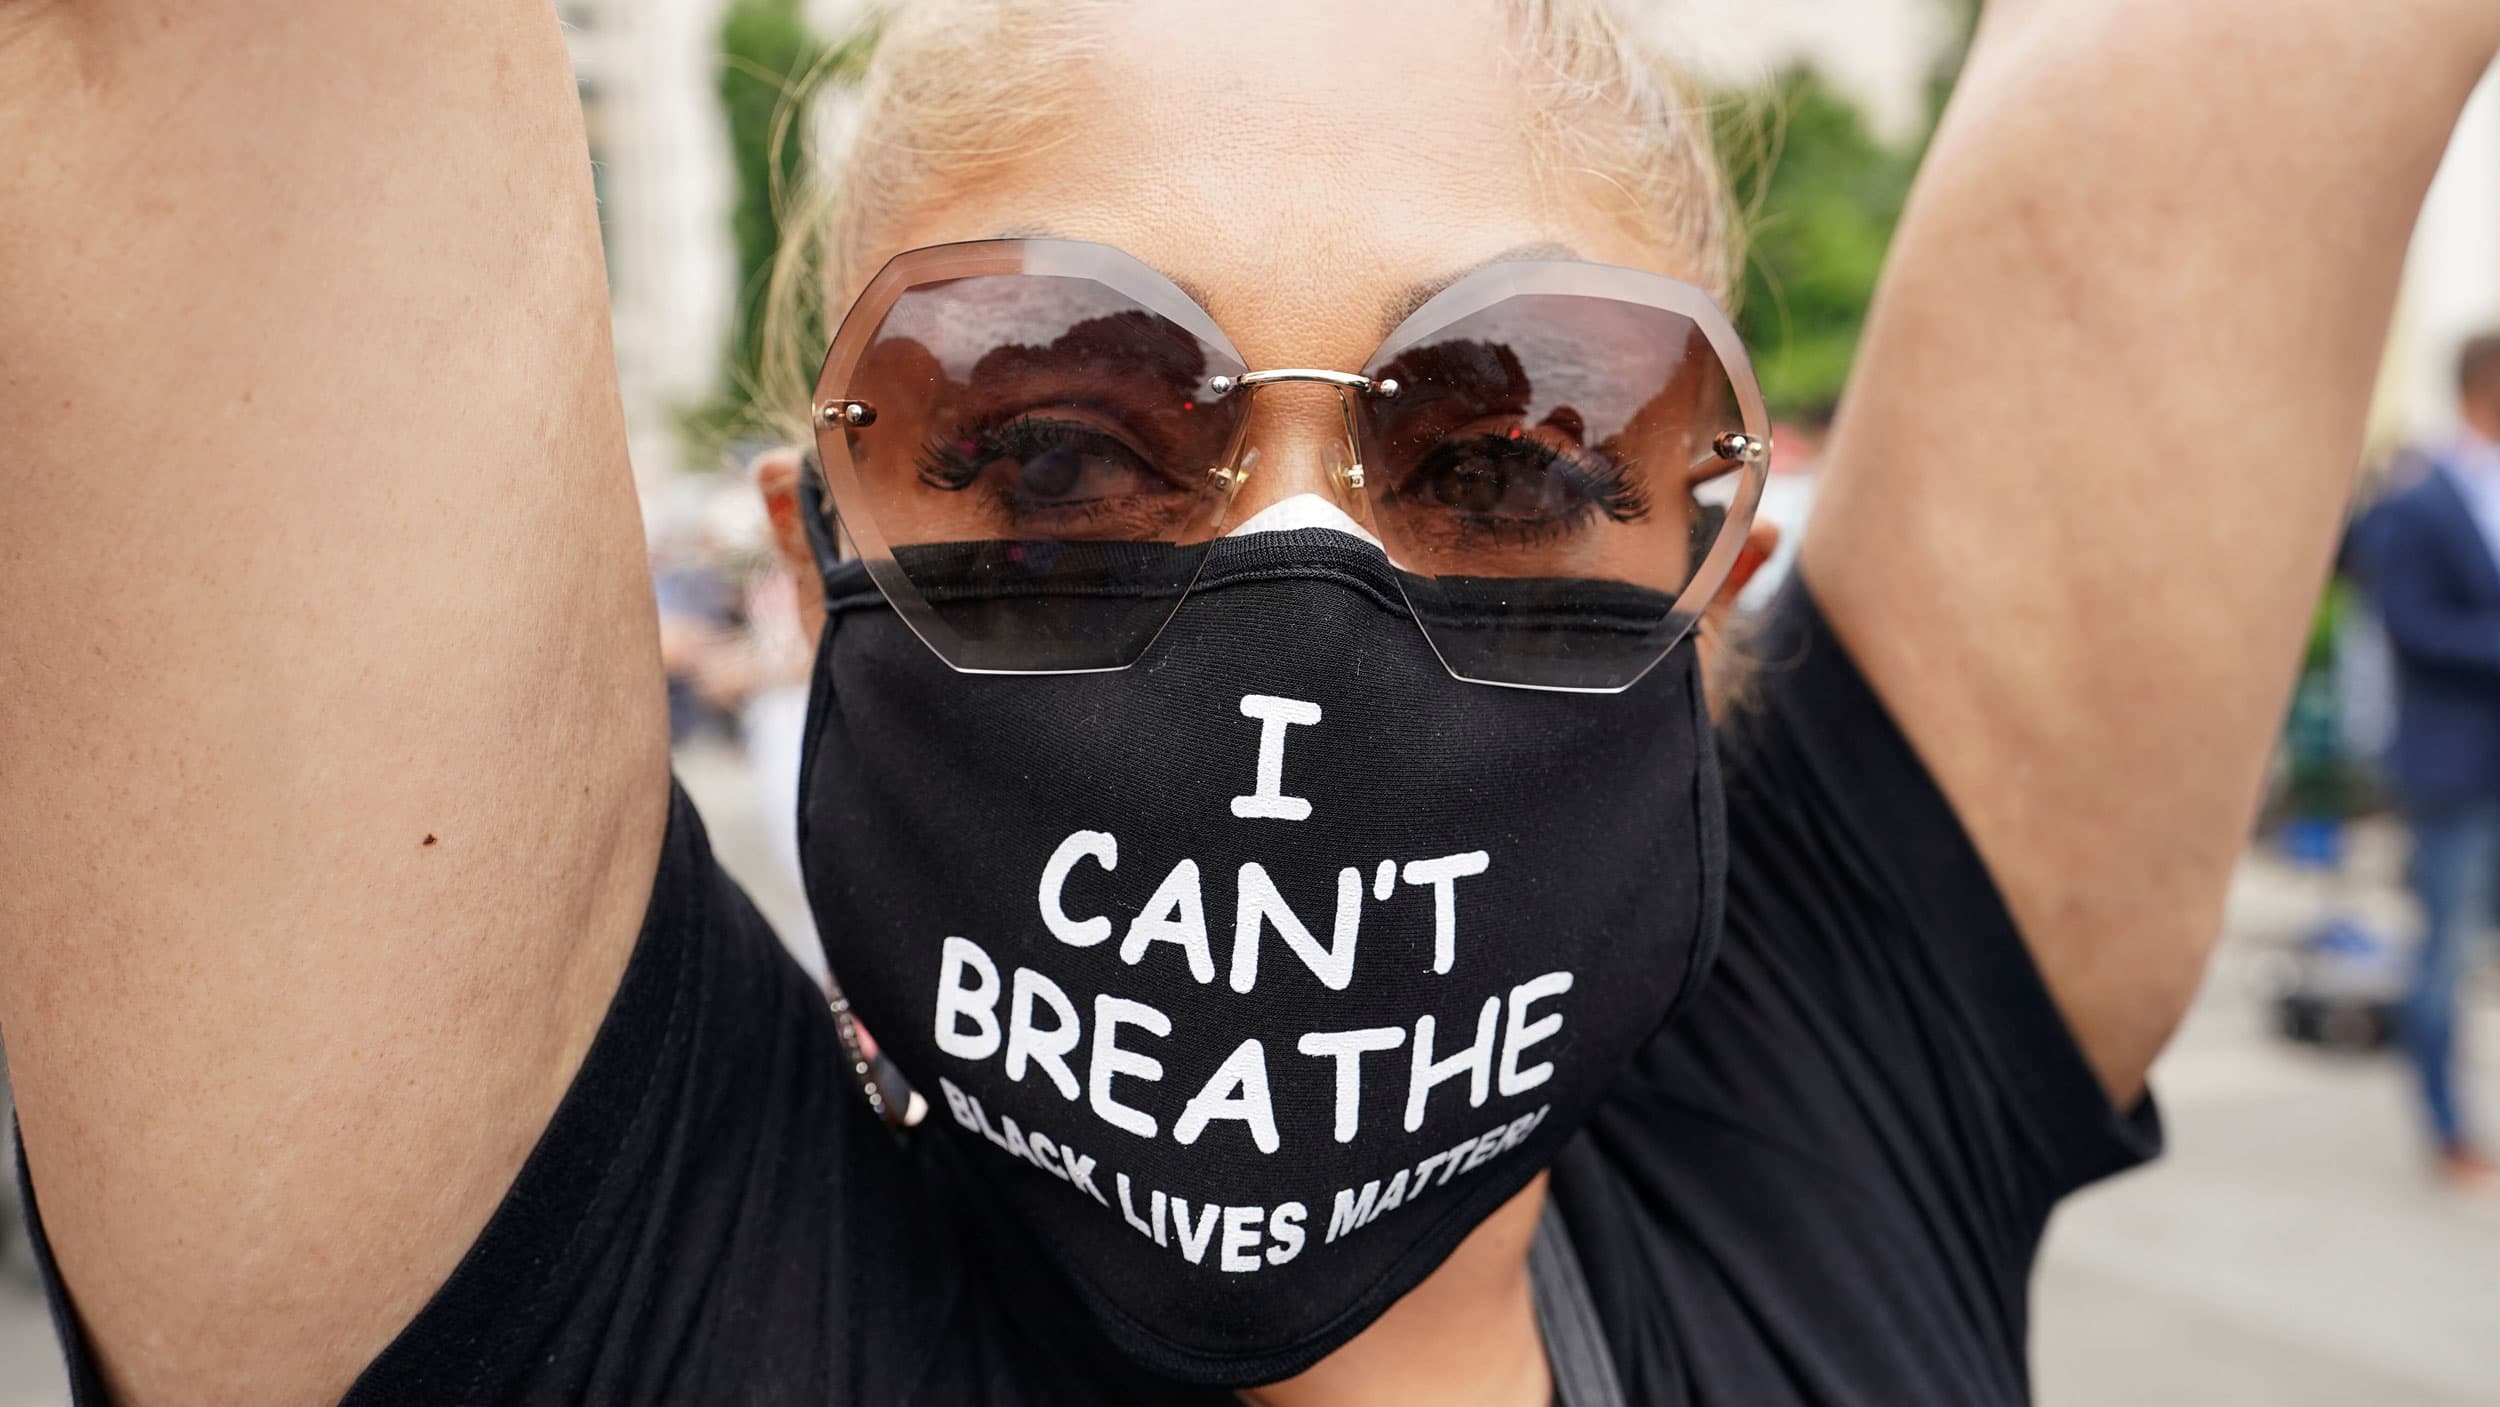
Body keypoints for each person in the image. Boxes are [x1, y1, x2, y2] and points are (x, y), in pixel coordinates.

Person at [5, 2, 2496, 1403]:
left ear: (1713, 570)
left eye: (1507, 450)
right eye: (1058, 440)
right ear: (814, 542)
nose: (1298, 588)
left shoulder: (1828, 1105)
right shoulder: (598, 1272)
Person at [2351, 333, 2500, 1194]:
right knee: (2443, 957)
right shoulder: (2420, 500)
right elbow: (2409, 625)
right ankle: (2446, 1128)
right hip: (2452, 766)